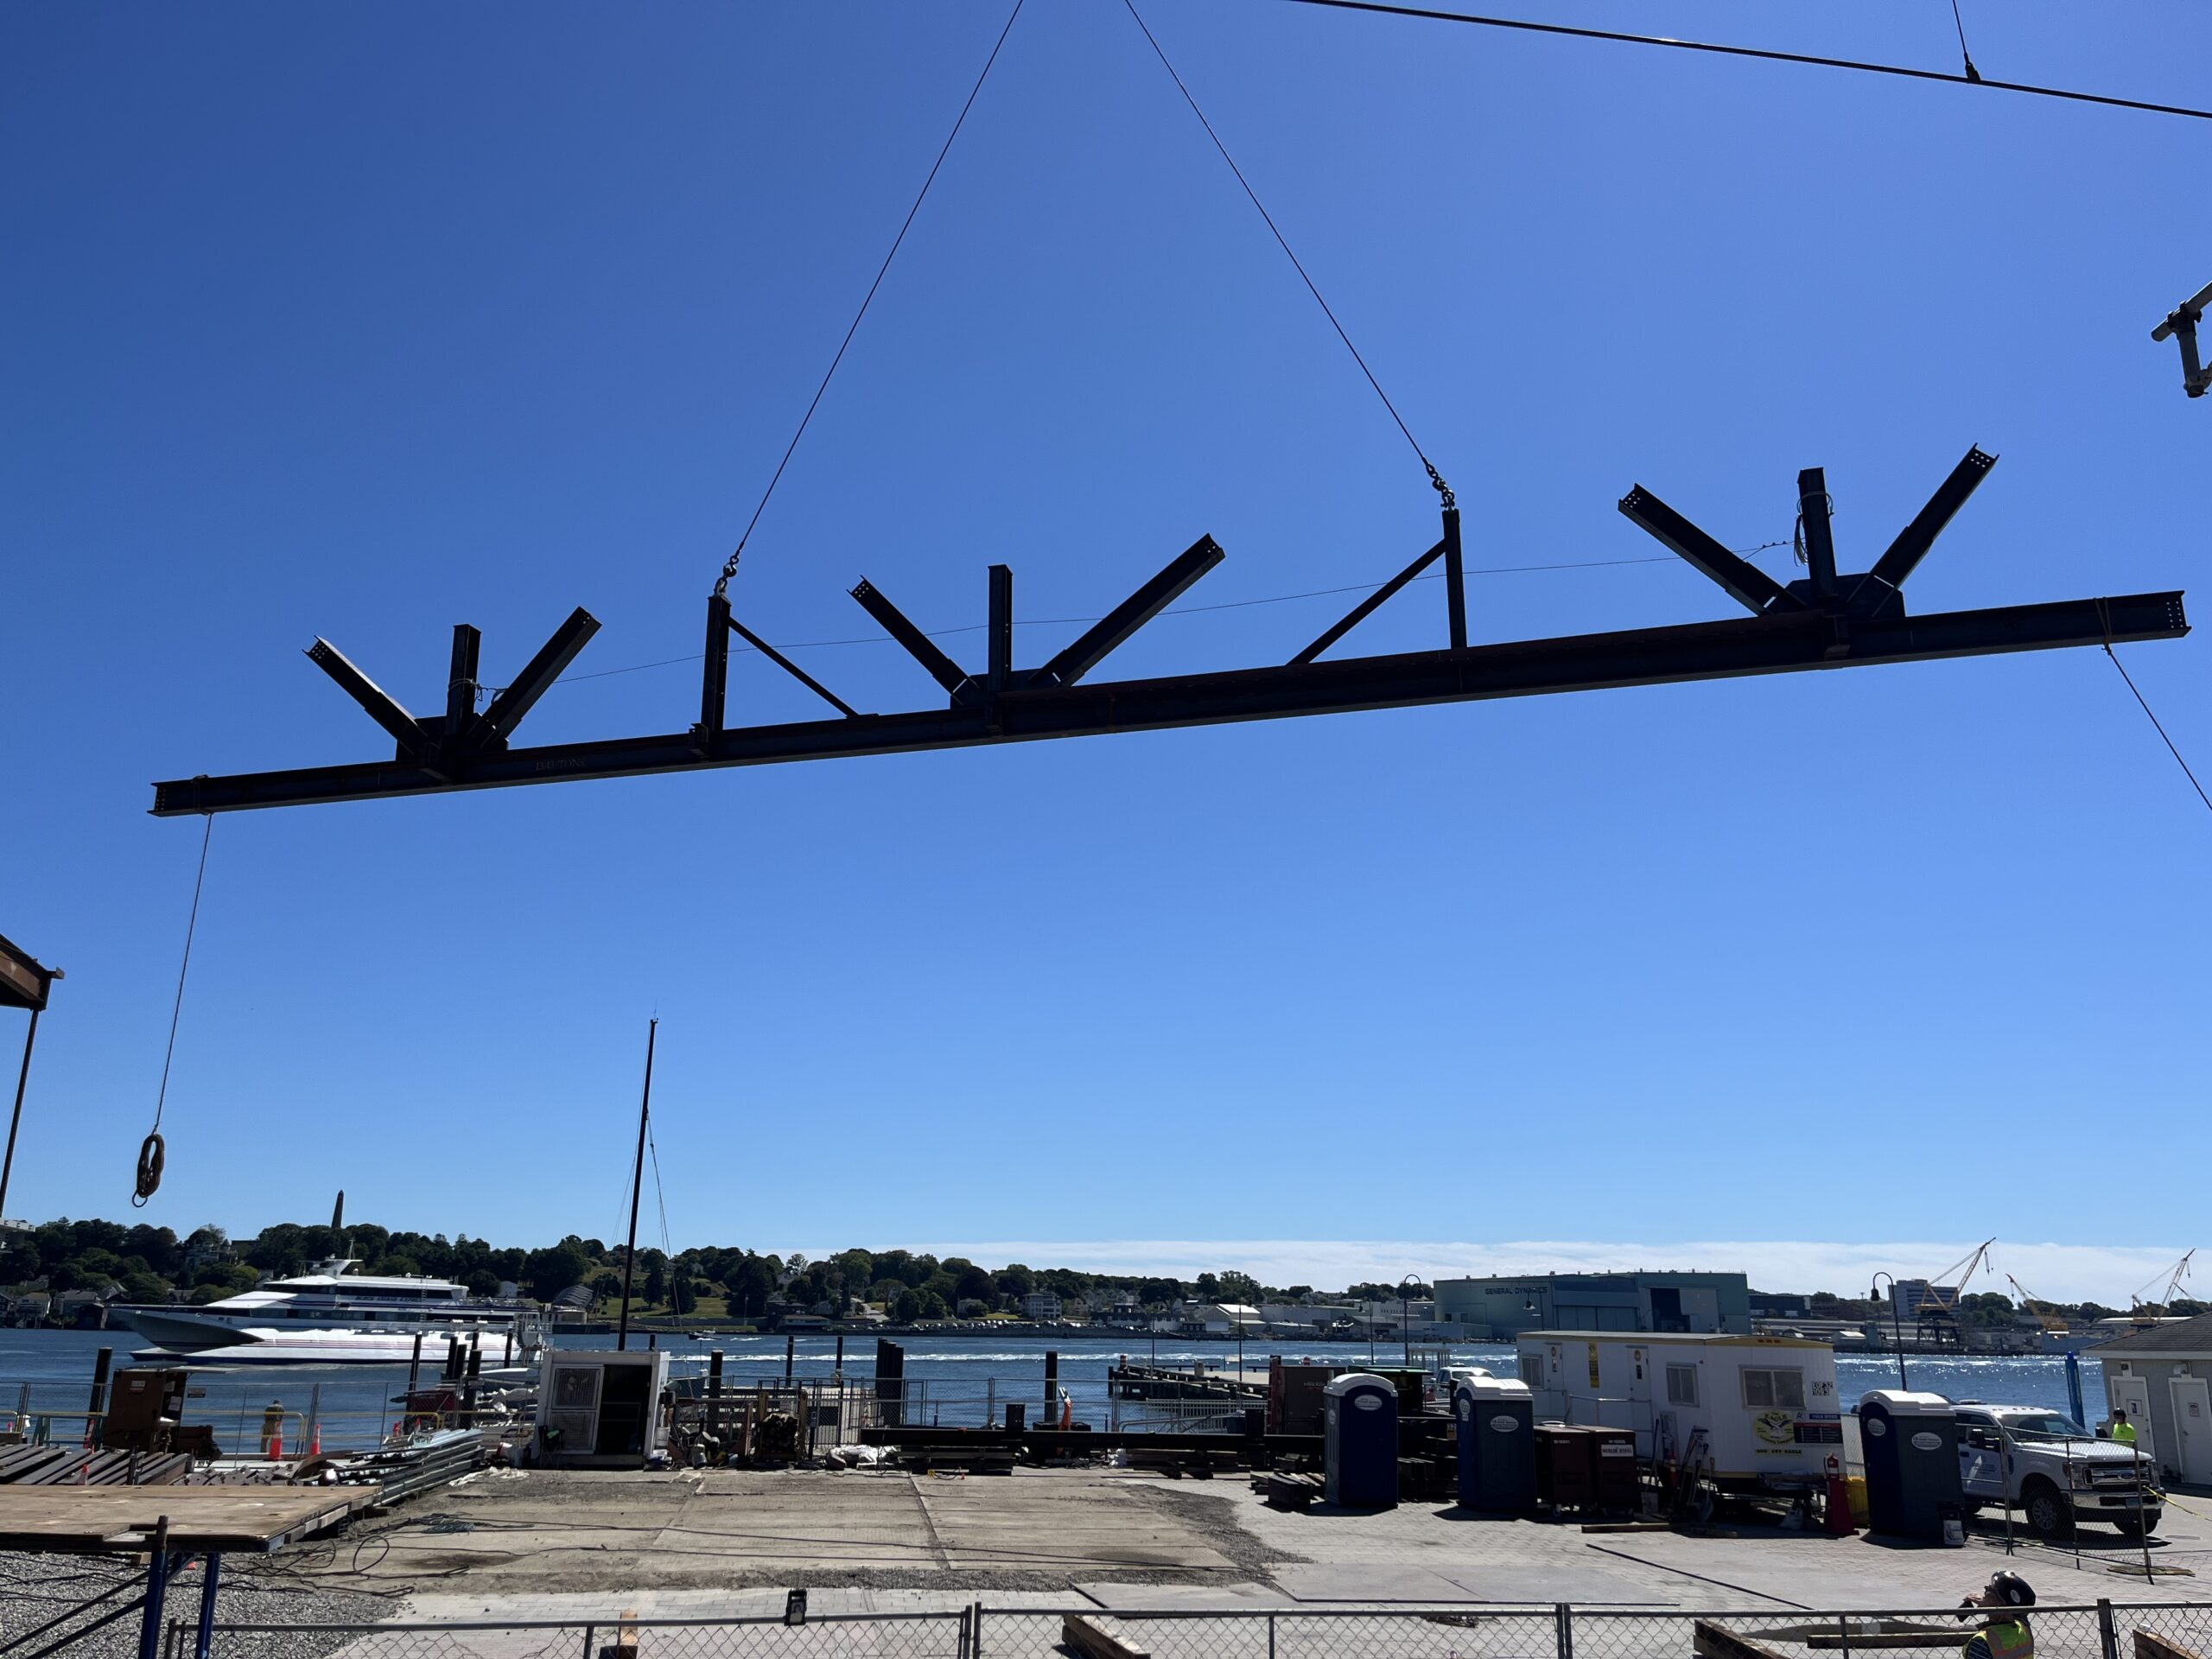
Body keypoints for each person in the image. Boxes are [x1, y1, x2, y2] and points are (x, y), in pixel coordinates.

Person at [1961, 1572, 2035, 1659]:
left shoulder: (1982, 1641)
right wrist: (1992, 1604)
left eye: (1992, 1590)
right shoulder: (2024, 1630)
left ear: (2002, 1604)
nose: (1986, 1587)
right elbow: (2019, 1612)